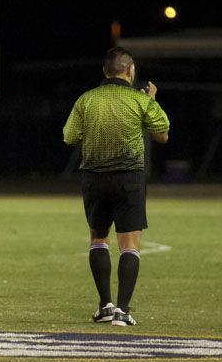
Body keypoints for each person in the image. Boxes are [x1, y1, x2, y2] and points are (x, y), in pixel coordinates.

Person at [63, 47, 170, 326]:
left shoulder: (86, 99)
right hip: (129, 180)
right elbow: (162, 135)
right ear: (130, 70)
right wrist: (151, 101)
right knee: (130, 245)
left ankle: (105, 306)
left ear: (104, 71)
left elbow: (69, 136)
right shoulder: (140, 100)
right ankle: (123, 311)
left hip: (94, 178)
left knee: (98, 240)